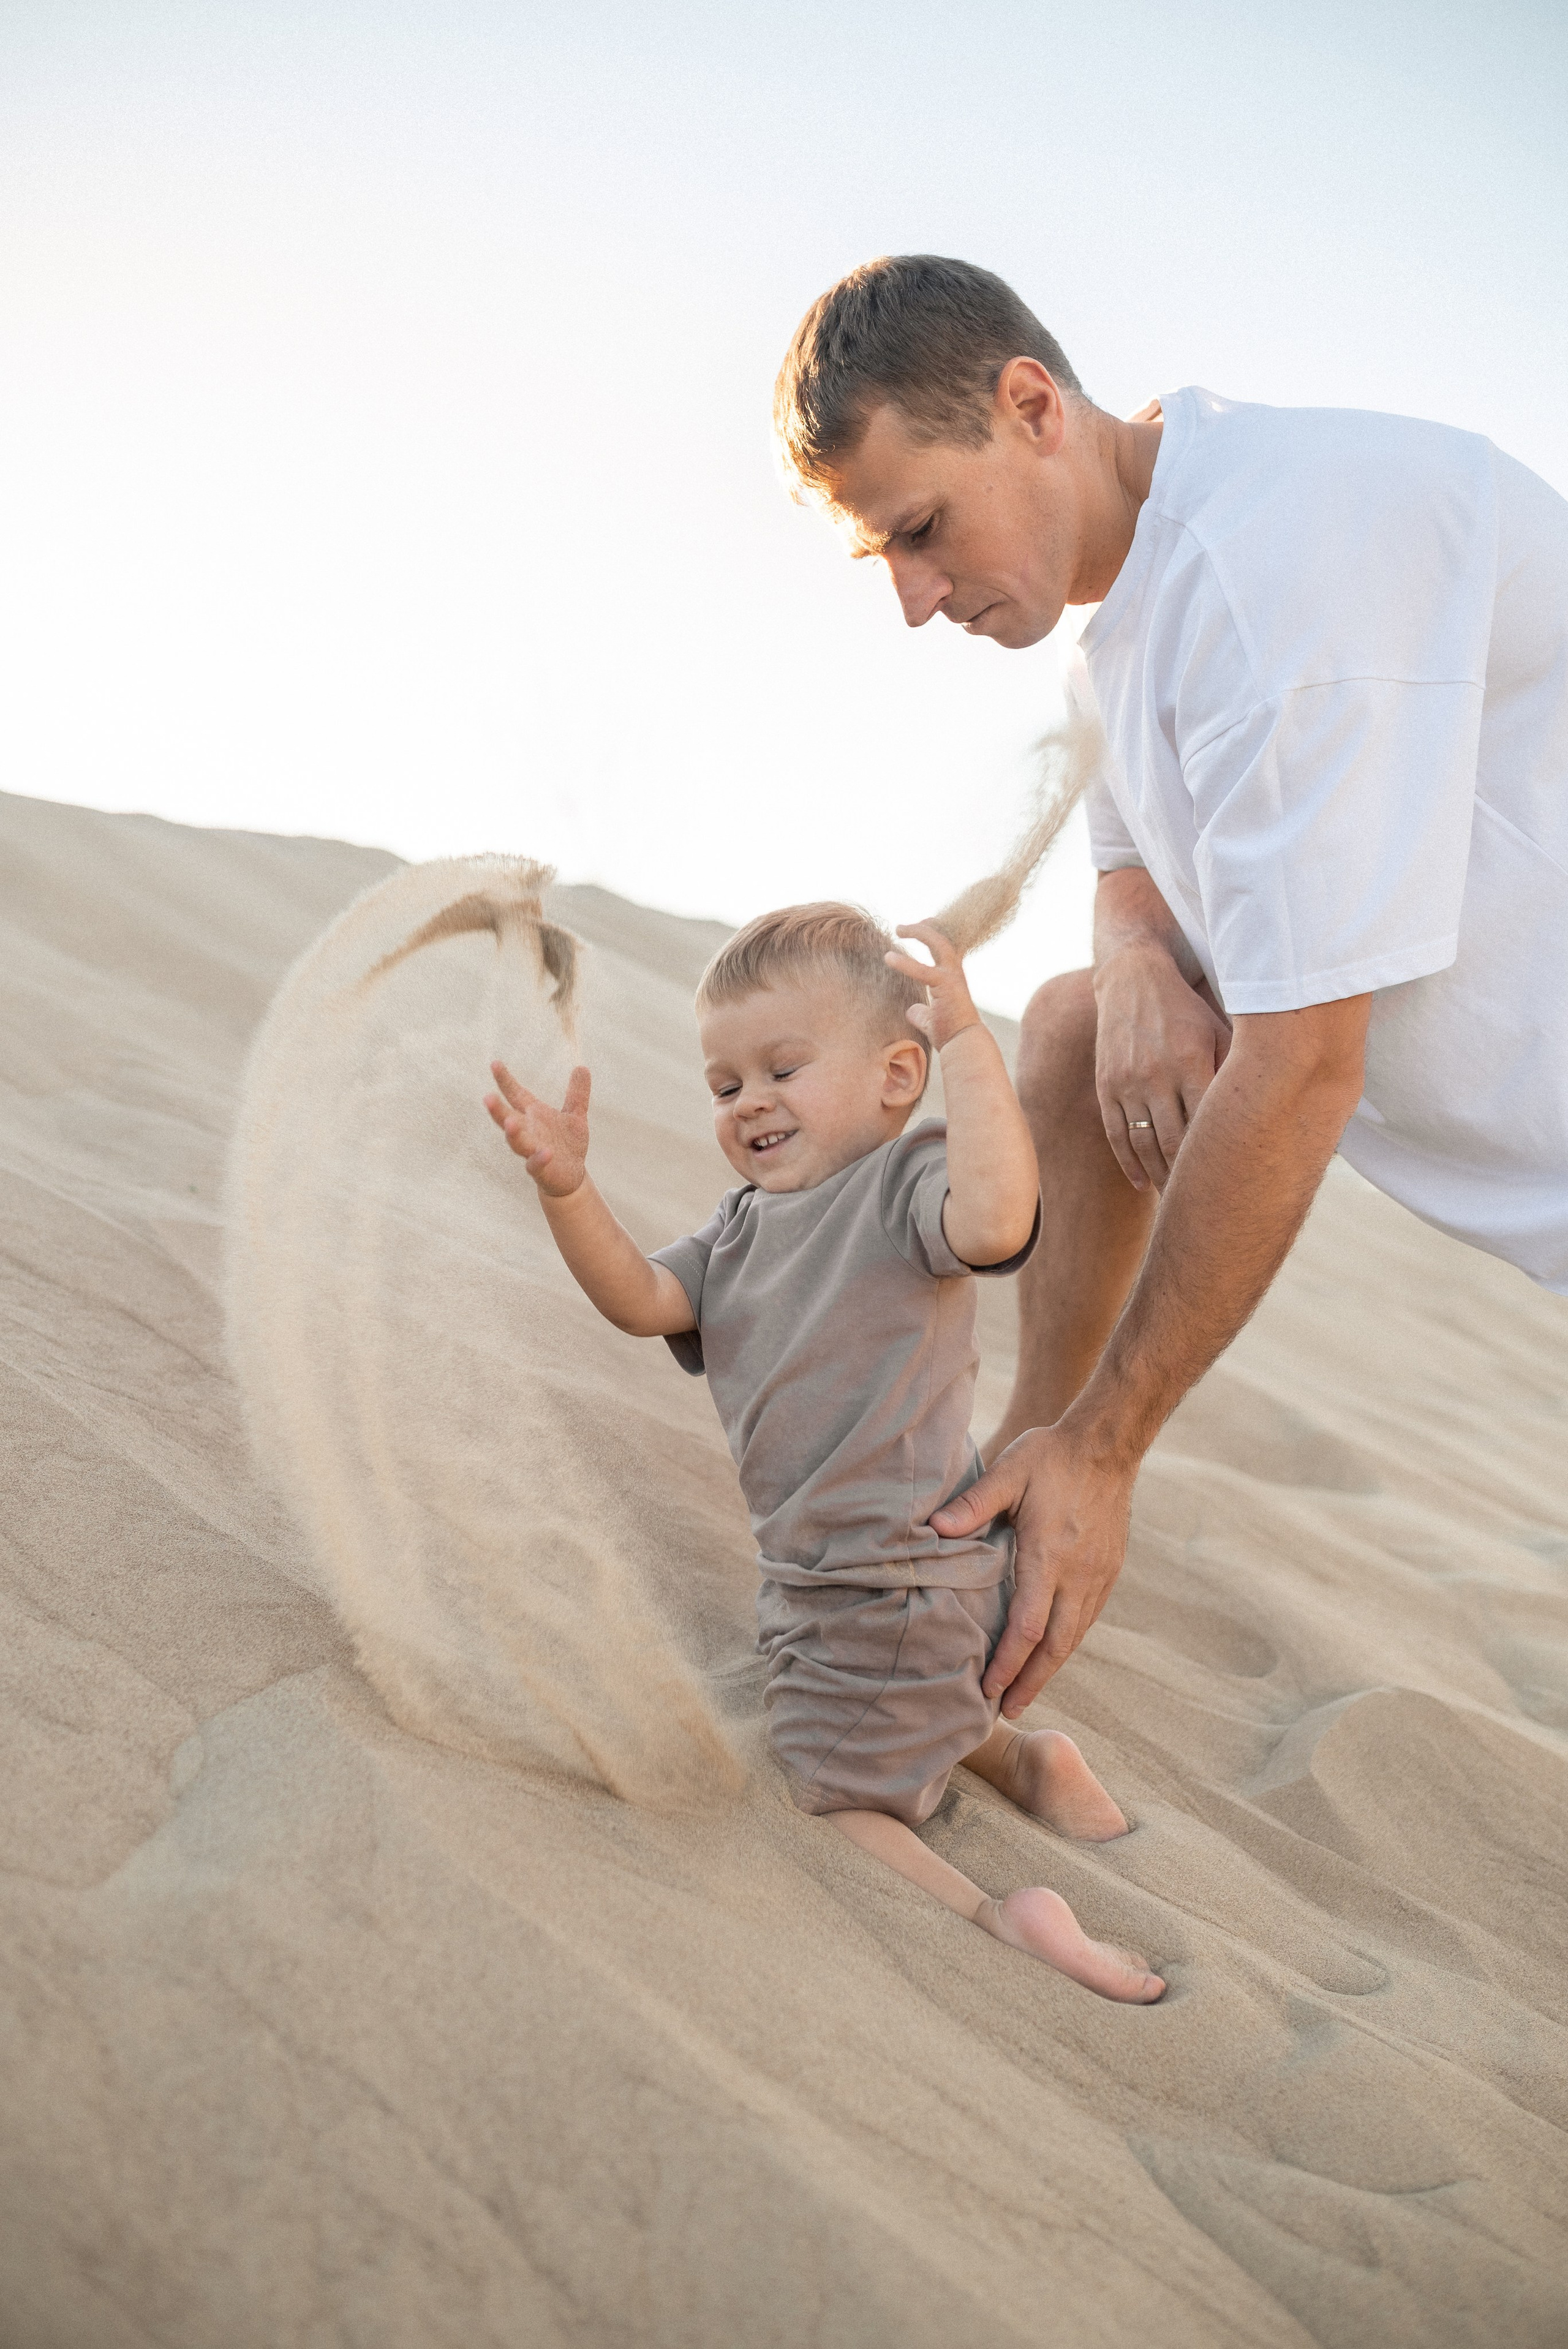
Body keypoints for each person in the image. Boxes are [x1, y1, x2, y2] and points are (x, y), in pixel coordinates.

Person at [772, 252, 1568, 1726]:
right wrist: (1133, 951)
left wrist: (1116, 1443)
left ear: (1028, 406)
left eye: (924, 529)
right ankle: (1009, 1483)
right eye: (885, 553)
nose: (911, 597)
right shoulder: (1132, 617)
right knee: (1075, 1023)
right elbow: (1131, 842)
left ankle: (1059, 1471)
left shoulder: (1278, 572)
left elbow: (1306, 1064)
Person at [484, 903, 1166, 2004]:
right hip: (836, 1592)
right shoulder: (740, 1231)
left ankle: (1003, 1914)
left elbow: (997, 1224)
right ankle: (1024, 1758)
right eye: (725, 1084)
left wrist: (968, 1045)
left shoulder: (904, 1191)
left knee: (826, 1792)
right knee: (875, 1705)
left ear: (897, 1079)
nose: (750, 1099)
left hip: (891, 1586)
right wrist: (570, 1191)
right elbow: (642, 1300)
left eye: (784, 1068)